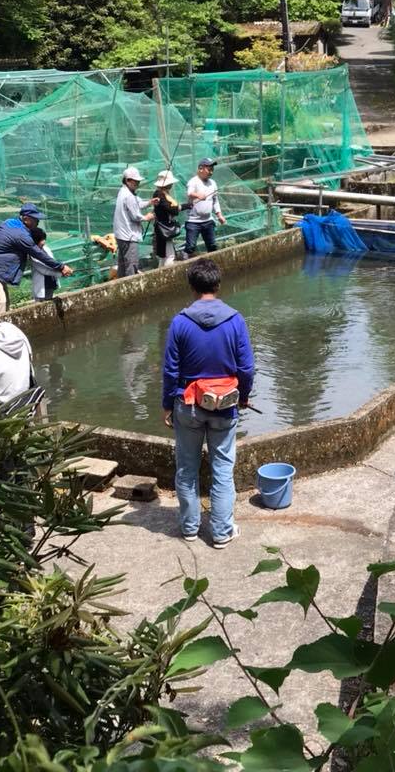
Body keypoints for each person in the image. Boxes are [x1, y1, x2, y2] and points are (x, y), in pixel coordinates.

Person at [162, 258, 254, 548]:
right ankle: (221, 531)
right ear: (218, 284)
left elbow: (170, 370)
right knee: (223, 468)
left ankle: (189, 527)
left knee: (186, 468)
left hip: (187, 404)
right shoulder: (235, 320)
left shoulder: (179, 322)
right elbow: (247, 367)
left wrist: (167, 403)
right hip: (225, 404)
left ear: (192, 286)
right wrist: (245, 395)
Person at [0, 203, 73, 318]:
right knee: (0, 302)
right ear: (26, 219)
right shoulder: (21, 235)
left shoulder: (9, 222)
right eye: (35, 219)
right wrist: (61, 267)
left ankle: (2, 328)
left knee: (5, 304)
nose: (38, 222)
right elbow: (39, 254)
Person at [113, 167, 157, 278]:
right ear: (127, 180)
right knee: (131, 266)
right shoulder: (128, 196)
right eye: (135, 181)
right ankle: (130, 286)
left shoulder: (123, 191)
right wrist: (147, 217)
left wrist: (149, 202)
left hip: (120, 235)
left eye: (138, 181)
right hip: (129, 236)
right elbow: (135, 216)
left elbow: (137, 203)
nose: (137, 183)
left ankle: (121, 286)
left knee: (123, 264)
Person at [185, 159, 226, 258]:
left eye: (212, 170)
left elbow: (215, 200)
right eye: (209, 169)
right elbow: (189, 193)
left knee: (212, 246)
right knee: (190, 247)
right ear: (201, 169)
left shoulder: (212, 183)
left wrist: (219, 215)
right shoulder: (193, 181)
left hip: (208, 220)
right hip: (193, 221)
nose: (211, 172)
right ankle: (186, 263)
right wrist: (198, 195)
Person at [152, 170, 189, 267]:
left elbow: (172, 209)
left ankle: (160, 274)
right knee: (169, 256)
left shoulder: (163, 194)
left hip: (163, 228)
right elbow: (170, 209)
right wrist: (185, 206)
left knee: (163, 256)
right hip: (163, 229)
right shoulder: (159, 194)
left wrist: (186, 206)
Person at [30, 227, 60, 301]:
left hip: (51, 281)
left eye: (44, 238)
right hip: (42, 284)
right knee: (41, 305)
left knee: (49, 302)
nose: (44, 241)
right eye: (41, 239)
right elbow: (43, 269)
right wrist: (61, 272)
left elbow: (53, 262)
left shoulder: (46, 248)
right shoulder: (32, 254)